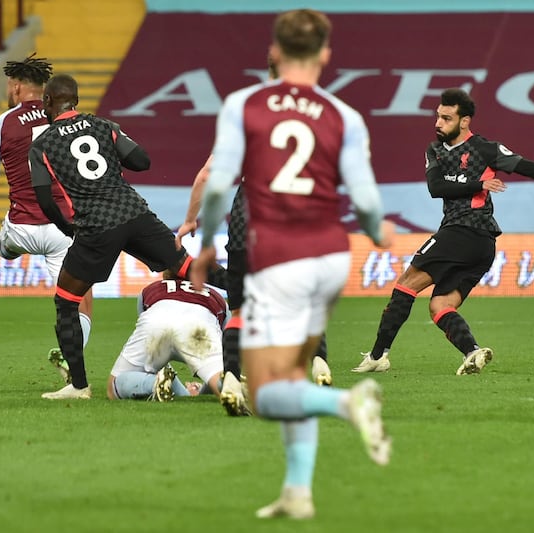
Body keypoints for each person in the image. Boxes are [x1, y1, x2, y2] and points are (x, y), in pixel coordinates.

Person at [190, 9, 394, 519]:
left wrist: (208, 237)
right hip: (328, 258)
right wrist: (377, 232)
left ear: (274, 52)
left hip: (278, 257)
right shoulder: (343, 115)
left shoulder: (244, 105)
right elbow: (367, 202)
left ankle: (348, 404)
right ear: (326, 54)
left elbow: (218, 183)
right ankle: (298, 490)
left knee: (263, 392)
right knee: (292, 374)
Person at [352, 87, 534, 376]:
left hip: (465, 231)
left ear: (465, 121)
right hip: (480, 246)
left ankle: (378, 355)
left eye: (446, 118)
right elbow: (436, 188)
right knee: (440, 305)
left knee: (406, 284)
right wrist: (478, 185)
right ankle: (472, 352)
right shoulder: (434, 150)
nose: (438, 123)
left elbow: (531, 168)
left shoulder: (485, 150)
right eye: (438, 117)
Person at [30, 73, 228, 400]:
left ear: (48, 102)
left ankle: (78, 386)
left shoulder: (42, 144)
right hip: (134, 214)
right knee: (190, 268)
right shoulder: (104, 125)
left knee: (66, 301)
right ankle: (252, 289)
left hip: (96, 226)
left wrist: (68, 228)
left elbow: (44, 199)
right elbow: (142, 161)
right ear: (76, 100)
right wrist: (115, 144)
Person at [0, 54, 93, 383]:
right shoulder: (68, 119)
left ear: (15, 87)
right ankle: (73, 363)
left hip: (21, 227)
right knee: (78, 297)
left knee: (3, 245)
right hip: (62, 228)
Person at [177, 151, 332, 417]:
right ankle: (318, 363)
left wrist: (191, 218)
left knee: (239, 312)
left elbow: (207, 175)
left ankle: (234, 382)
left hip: (247, 213)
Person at [106, 271, 227, 402]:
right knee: (222, 379)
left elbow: (142, 318)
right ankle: (236, 387)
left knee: (114, 386)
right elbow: (226, 344)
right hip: (198, 330)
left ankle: (154, 383)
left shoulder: (151, 289)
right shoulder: (217, 297)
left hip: (156, 325)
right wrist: (203, 390)